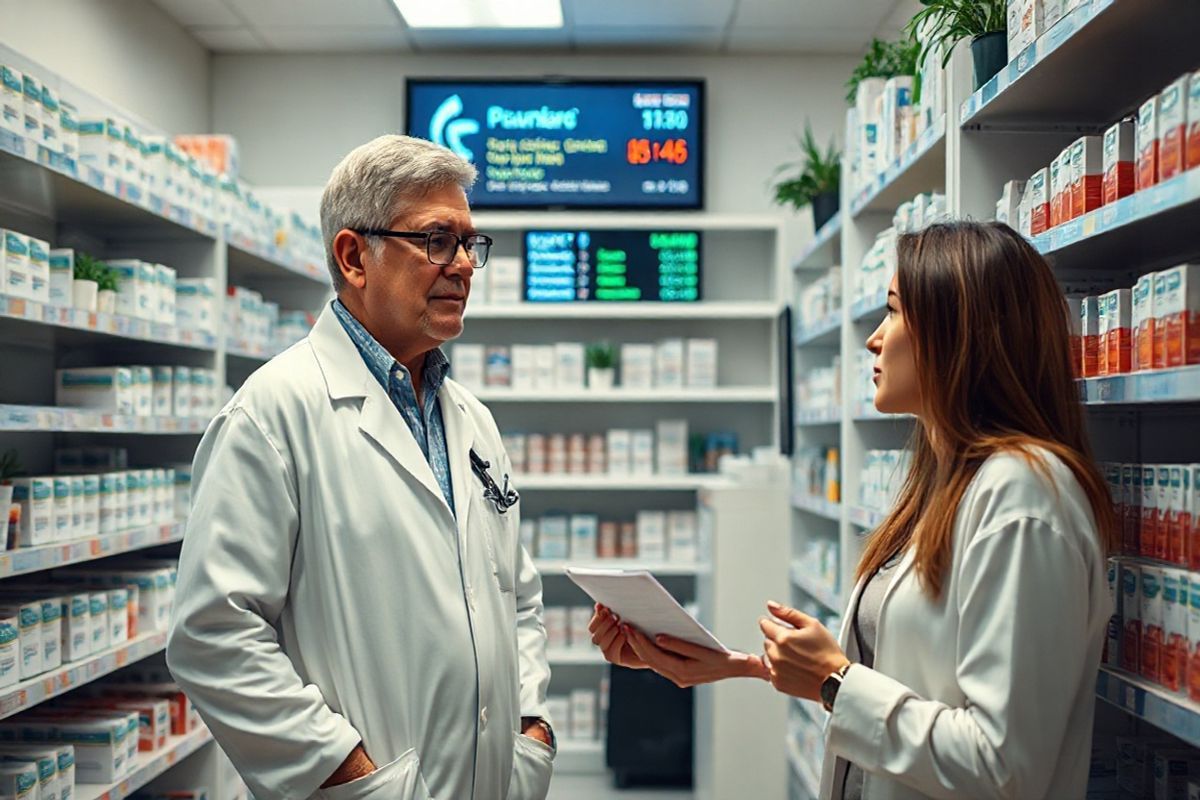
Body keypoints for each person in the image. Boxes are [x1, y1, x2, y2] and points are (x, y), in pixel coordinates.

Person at [589, 221, 1118, 800]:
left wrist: (834, 681)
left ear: (957, 332)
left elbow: (1004, 767)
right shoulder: (944, 487)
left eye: (892, 312)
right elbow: (908, 680)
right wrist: (732, 664)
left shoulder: (1024, 496)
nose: (873, 339)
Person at [167, 135, 555, 800]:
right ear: (353, 257)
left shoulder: (472, 422)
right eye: (437, 240)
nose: (463, 264)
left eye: (469, 243)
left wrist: (531, 729)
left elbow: (517, 599)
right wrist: (348, 775)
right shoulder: (273, 413)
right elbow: (214, 634)